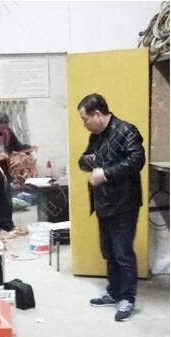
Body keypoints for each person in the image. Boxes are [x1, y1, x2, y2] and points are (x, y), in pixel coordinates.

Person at [77, 93, 145, 322]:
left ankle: (127, 298)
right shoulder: (95, 136)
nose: (84, 123)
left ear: (97, 114)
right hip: (103, 203)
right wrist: (95, 162)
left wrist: (105, 173)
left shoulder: (127, 130)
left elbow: (136, 160)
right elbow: (83, 160)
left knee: (123, 253)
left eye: (85, 118)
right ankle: (114, 292)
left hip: (124, 203)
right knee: (108, 252)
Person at [0, 112, 37, 238]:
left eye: (5, 127)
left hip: (4, 169)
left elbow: (17, 145)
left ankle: (8, 225)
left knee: (6, 198)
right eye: (1, 128)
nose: (4, 130)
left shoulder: (8, 132)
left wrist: (29, 148)